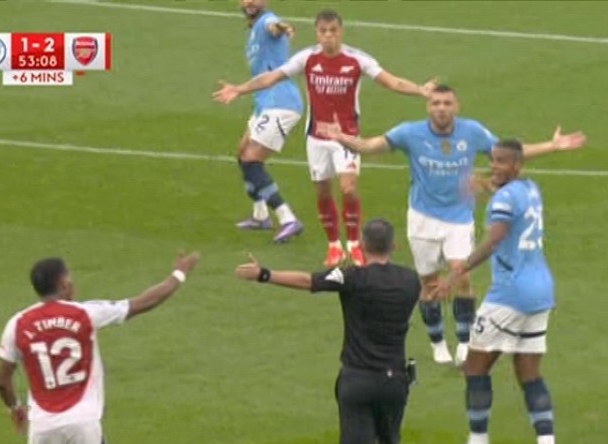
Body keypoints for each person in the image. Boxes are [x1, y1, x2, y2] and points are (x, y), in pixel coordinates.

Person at [328, 85, 585, 365]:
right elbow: (369, 146)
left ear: (456, 106)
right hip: (422, 218)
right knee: (429, 282)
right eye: (436, 102)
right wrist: (341, 138)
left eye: (447, 103)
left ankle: (464, 340)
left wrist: (552, 145)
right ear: (428, 107)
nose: (441, 108)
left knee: (462, 275)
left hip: (459, 217)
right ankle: (437, 341)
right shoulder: (409, 133)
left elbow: (511, 153)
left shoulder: (472, 132)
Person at [0, 252, 200, 444]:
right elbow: (145, 302)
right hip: (83, 422)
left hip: (42, 425)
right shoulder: (85, 314)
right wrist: (179, 273)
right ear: (65, 284)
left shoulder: (17, 324)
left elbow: (2, 381)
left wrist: (15, 407)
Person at [236, 218, 420, 444]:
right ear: (394, 246)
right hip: (393, 380)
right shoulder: (410, 281)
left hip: (357, 381)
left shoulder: (352, 277)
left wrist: (265, 274)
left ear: (361, 245)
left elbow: (308, 281)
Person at [215, 9, 437, 267]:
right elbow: (272, 77)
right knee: (322, 192)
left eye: (333, 31)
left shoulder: (357, 59)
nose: (329, 37)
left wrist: (421, 90)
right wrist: (239, 89)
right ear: (317, 33)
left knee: (349, 188)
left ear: (341, 32)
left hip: (347, 137)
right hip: (317, 137)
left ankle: (354, 243)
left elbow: (392, 82)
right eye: (323, 32)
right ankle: (334, 245)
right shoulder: (307, 58)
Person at [429, 140, 561, 444]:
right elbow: (510, 204)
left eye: (503, 162)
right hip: (541, 289)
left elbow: (493, 240)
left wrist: (454, 274)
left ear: (518, 164)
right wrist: (488, 186)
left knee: (475, 368)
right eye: (493, 161)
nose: (496, 166)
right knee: (529, 372)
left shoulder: (504, 199)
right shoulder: (532, 190)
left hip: (510, 294)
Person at [232, 0, 306, 243]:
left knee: (252, 160)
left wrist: (285, 28)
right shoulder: (253, 29)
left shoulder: (266, 21)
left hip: (281, 103)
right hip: (264, 102)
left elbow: (276, 26)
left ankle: (288, 218)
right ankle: (260, 216)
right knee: (242, 153)